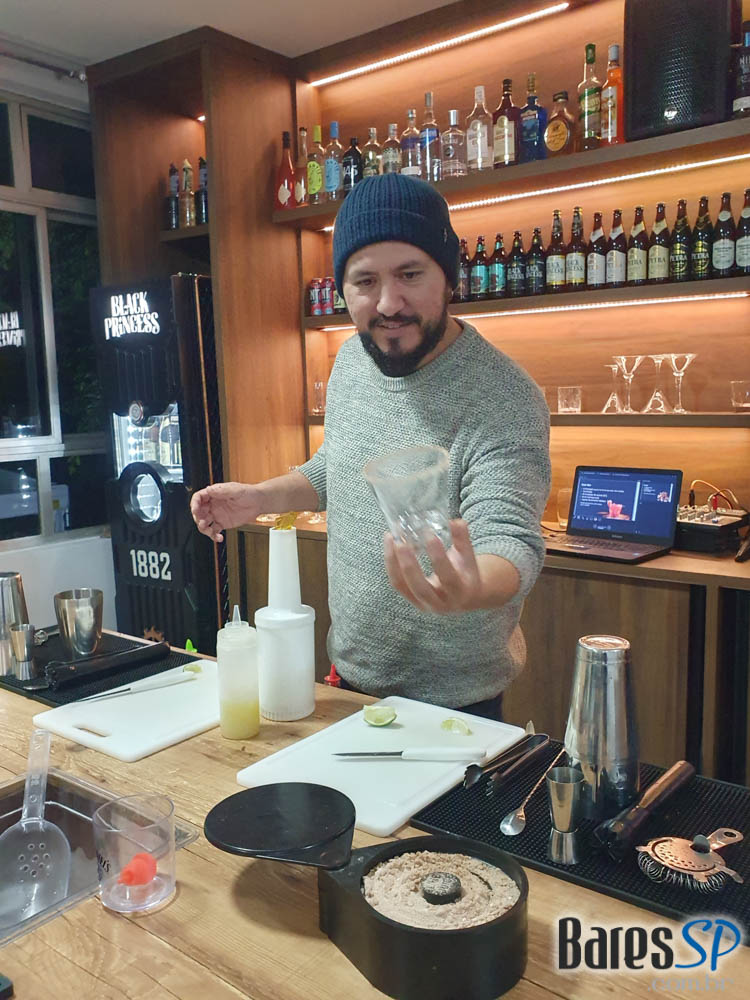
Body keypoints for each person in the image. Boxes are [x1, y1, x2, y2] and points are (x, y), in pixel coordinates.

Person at [191, 174, 550, 719]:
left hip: (459, 708)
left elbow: (510, 537)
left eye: (410, 274)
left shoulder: (504, 395)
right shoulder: (353, 361)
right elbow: (337, 467)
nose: (388, 303)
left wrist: (472, 586)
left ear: (448, 277)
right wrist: (261, 497)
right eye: (365, 281)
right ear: (343, 290)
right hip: (347, 683)